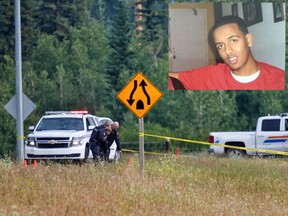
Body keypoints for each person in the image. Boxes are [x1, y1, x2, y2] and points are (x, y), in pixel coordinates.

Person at [168, 15, 285, 90]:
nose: (227, 51)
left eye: (233, 41)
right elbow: (173, 77)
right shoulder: (213, 75)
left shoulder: (278, 79)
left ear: (248, 40)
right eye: (220, 46)